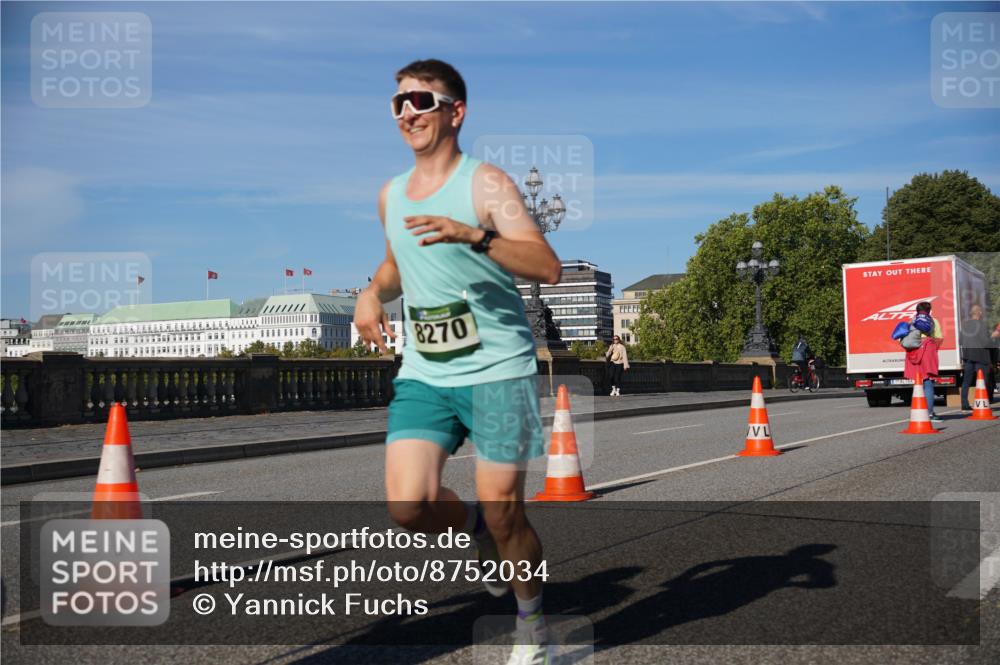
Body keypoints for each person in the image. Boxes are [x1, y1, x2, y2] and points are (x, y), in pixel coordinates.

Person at [353, 59, 562, 665]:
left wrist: (475, 235)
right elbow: (396, 265)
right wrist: (371, 293)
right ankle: (476, 531)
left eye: (420, 100)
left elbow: (546, 266)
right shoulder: (391, 194)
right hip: (426, 371)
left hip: (498, 370)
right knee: (408, 505)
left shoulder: (486, 185)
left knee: (506, 511)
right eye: (398, 103)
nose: (407, 113)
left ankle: (532, 625)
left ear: (455, 112)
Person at [903, 301, 943, 422]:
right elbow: (939, 338)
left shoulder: (911, 322)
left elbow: (903, 339)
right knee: (928, 383)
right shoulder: (933, 321)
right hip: (928, 351)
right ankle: (929, 413)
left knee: (917, 383)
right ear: (929, 311)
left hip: (913, 352)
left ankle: (917, 412)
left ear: (917, 310)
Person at [960, 305, 992, 411]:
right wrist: (992, 338)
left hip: (968, 356)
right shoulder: (982, 325)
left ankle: (964, 404)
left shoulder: (964, 325)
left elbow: (960, 341)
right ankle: (983, 402)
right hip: (980, 356)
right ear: (979, 313)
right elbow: (985, 342)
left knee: (966, 381)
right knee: (983, 381)